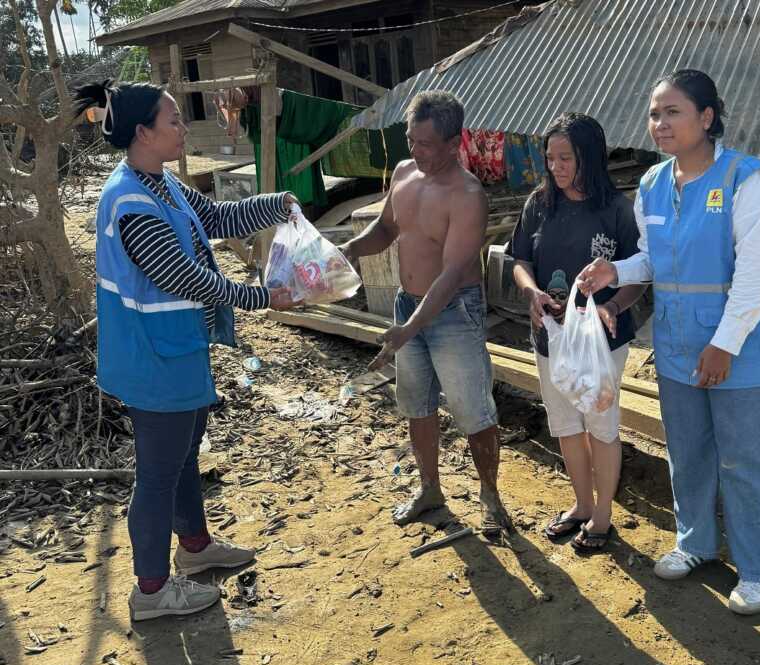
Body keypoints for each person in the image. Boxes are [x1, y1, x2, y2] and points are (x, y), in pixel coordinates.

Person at [74, 80, 298, 621]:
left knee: (183, 456)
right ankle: (151, 591)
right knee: (157, 474)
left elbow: (216, 218)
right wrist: (260, 297)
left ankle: (195, 548)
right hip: (152, 357)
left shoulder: (162, 184)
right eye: (173, 120)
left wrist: (277, 203)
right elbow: (183, 277)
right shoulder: (130, 201)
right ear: (143, 132)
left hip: (178, 347)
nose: (182, 128)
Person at [578, 69, 760, 613]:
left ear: (706, 117)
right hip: (677, 346)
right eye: (654, 113)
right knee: (688, 454)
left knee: (745, 462)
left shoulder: (746, 181)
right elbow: (654, 259)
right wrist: (617, 271)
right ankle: (695, 543)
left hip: (742, 351)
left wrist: (725, 344)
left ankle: (757, 570)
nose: (660, 123)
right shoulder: (653, 183)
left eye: (673, 112)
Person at [340, 90, 511, 535]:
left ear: (454, 143)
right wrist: (349, 250)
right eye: (411, 141)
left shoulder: (467, 195)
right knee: (417, 405)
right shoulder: (403, 173)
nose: (416, 151)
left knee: (473, 410)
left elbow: (453, 273)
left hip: (454, 312)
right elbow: (386, 229)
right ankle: (430, 489)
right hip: (408, 303)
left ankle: (490, 496)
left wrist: (409, 329)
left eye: (427, 144)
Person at [508, 113, 646, 553]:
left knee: (601, 423)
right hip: (552, 335)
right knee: (566, 423)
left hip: (603, 340)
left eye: (566, 157)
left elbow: (640, 274)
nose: (556, 167)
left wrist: (613, 306)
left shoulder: (617, 209)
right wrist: (531, 293)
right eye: (550, 158)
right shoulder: (539, 204)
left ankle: (603, 514)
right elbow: (520, 260)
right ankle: (582, 504)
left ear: (589, 157)